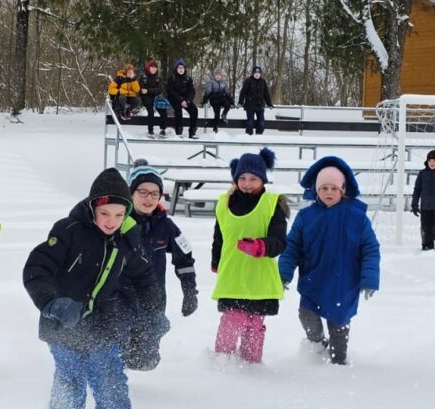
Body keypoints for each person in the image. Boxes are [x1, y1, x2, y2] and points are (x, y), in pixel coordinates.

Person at [22, 168, 160, 409]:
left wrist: (153, 313)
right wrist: (52, 303)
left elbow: (144, 278)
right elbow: (36, 269)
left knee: (110, 378)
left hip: (103, 322)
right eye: (106, 214)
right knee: (70, 375)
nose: (112, 222)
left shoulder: (125, 241)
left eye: (120, 215)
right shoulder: (68, 231)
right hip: (63, 321)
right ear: (93, 207)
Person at [279, 157, 380, 366]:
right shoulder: (306, 217)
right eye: (323, 188)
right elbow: (292, 248)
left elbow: (370, 249)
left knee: (338, 326)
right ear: (316, 190)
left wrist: (369, 278)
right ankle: (317, 345)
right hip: (313, 281)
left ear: (342, 190)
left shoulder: (356, 217)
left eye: (333, 188)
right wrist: (283, 274)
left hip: (343, 285)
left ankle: (339, 363)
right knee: (306, 316)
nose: (328, 192)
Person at [210, 148, 289, 363]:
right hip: (233, 276)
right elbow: (219, 236)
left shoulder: (273, 203)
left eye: (253, 178)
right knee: (232, 319)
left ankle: (251, 366)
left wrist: (261, 246)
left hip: (259, 279)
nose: (247, 183)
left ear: (263, 180)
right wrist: (216, 261)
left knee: (254, 323)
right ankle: (221, 362)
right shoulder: (224, 203)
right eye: (242, 178)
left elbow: (280, 241)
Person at [121, 160, 198, 369]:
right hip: (120, 299)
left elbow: (184, 256)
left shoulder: (165, 225)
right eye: (143, 192)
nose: (149, 198)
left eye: (155, 193)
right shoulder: (117, 221)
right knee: (116, 355)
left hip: (152, 300)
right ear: (131, 193)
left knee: (145, 361)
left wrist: (189, 290)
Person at [166, 58, 199, 138]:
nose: (181, 69)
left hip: (186, 99)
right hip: (175, 99)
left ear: (184, 68)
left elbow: (192, 91)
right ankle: (179, 131)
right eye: (179, 67)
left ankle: (192, 131)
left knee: (194, 110)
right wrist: (181, 100)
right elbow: (170, 91)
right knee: (178, 110)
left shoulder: (188, 78)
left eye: (182, 67)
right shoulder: (172, 78)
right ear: (176, 68)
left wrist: (188, 100)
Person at [237, 65, 273, 136]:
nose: (257, 74)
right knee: (250, 122)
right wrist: (240, 102)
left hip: (260, 106)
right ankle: (249, 137)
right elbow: (243, 92)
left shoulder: (263, 82)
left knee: (261, 123)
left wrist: (269, 104)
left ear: (260, 74)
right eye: (255, 73)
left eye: (258, 73)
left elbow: (266, 94)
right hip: (250, 106)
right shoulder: (248, 81)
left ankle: (258, 136)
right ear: (252, 73)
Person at [139, 58, 168, 138]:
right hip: (146, 99)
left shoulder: (158, 78)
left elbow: (159, 90)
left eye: (155, 67)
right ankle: (150, 130)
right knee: (151, 112)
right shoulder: (143, 77)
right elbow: (141, 90)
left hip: (156, 98)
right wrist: (149, 91)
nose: (153, 69)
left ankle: (163, 130)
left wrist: (148, 90)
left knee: (163, 111)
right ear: (148, 67)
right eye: (152, 67)